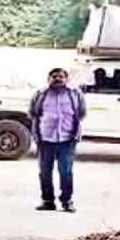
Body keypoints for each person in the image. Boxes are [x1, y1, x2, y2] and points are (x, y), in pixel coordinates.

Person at [29, 67, 86, 213]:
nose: (57, 79)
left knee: (66, 171)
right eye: (54, 76)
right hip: (45, 138)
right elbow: (33, 114)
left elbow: (81, 113)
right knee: (44, 172)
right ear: (48, 78)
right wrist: (36, 134)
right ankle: (48, 201)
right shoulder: (41, 94)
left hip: (67, 139)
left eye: (61, 76)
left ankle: (67, 201)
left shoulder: (74, 94)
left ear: (66, 79)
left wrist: (76, 133)